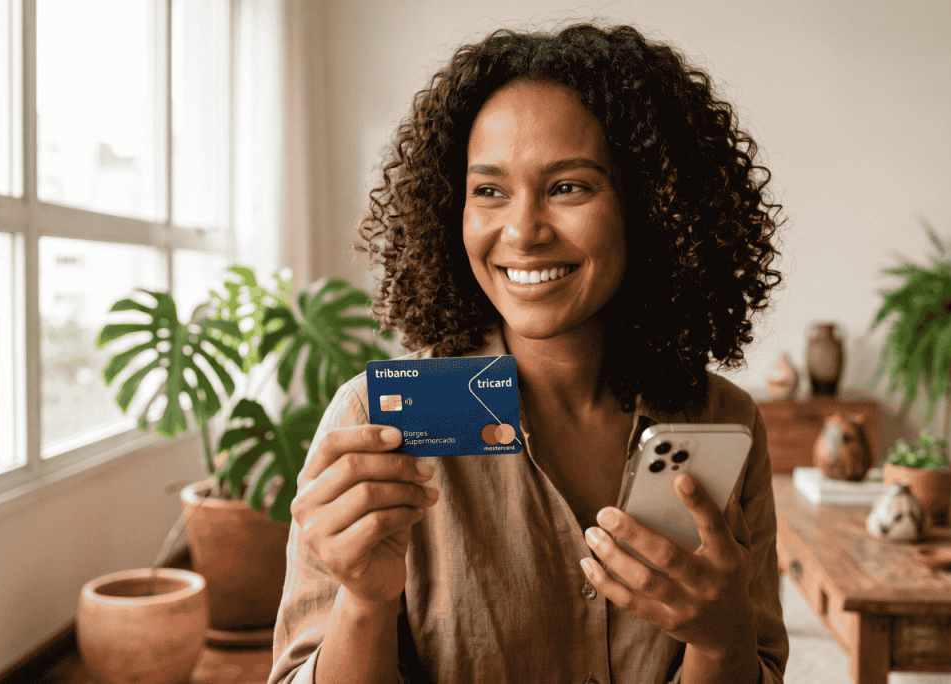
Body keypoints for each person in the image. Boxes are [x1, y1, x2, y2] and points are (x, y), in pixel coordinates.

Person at [271, 23, 786, 684]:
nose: (522, 231)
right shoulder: (378, 424)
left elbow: (758, 664)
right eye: (488, 191)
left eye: (568, 187)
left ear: (650, 206)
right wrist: (365, 605)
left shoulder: (723, 420)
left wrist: (720, 641)